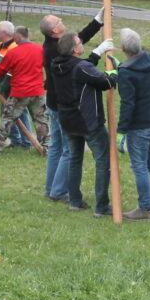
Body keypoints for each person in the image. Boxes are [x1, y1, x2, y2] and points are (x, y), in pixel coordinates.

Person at [39, 9, 104, 202]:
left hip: (54, 102)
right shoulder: (53, 49)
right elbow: (77, 64)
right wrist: (96, 55)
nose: (61, 20)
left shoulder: (54, 44)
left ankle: (51, 188)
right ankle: (58, 191)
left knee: (56, 147)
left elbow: (77, 41)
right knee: (68, 150)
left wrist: (97, 21)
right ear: (55, 31)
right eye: (59, 20)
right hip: (62, 105)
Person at [50, 31, 116, 216]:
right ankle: (102, 207)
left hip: (68, 121)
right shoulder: (80, 67)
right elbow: (104, 82)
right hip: (88, 121)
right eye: (79, 42)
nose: (81, 43)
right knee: (103, 161)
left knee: (74, 159)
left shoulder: (56, 64)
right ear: (75, 50)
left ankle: (75, 201)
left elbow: (84, 70)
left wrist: (97, 52)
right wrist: (114, 72)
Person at [116, 28, 150, 221]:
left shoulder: (126, 72)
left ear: (122, 48)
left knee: (140, 166)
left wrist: (121, 131)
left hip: (139, 125)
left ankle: (145, 209)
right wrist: (121, 67)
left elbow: (128, 103)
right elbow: (138, 74)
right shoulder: (149, 59)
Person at [0, 26, 48, 153]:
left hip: (20, 92)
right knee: (41, 121)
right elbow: (49, 68)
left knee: (7, 119)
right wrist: (45, 83)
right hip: (38, 92)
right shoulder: (40, 49)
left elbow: (1, 70)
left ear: (18, 36)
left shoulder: (13, 52)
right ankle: (48, 148)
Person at [0, 21, 28, 148]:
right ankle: (15, 141)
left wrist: (1, 87)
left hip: (13, 86)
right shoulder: (0, 46)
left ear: (4, 32)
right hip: (3, 86)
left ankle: (26, 142)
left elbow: (11, 72)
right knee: (6, 113)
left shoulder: (13, 48)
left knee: (19, 113)